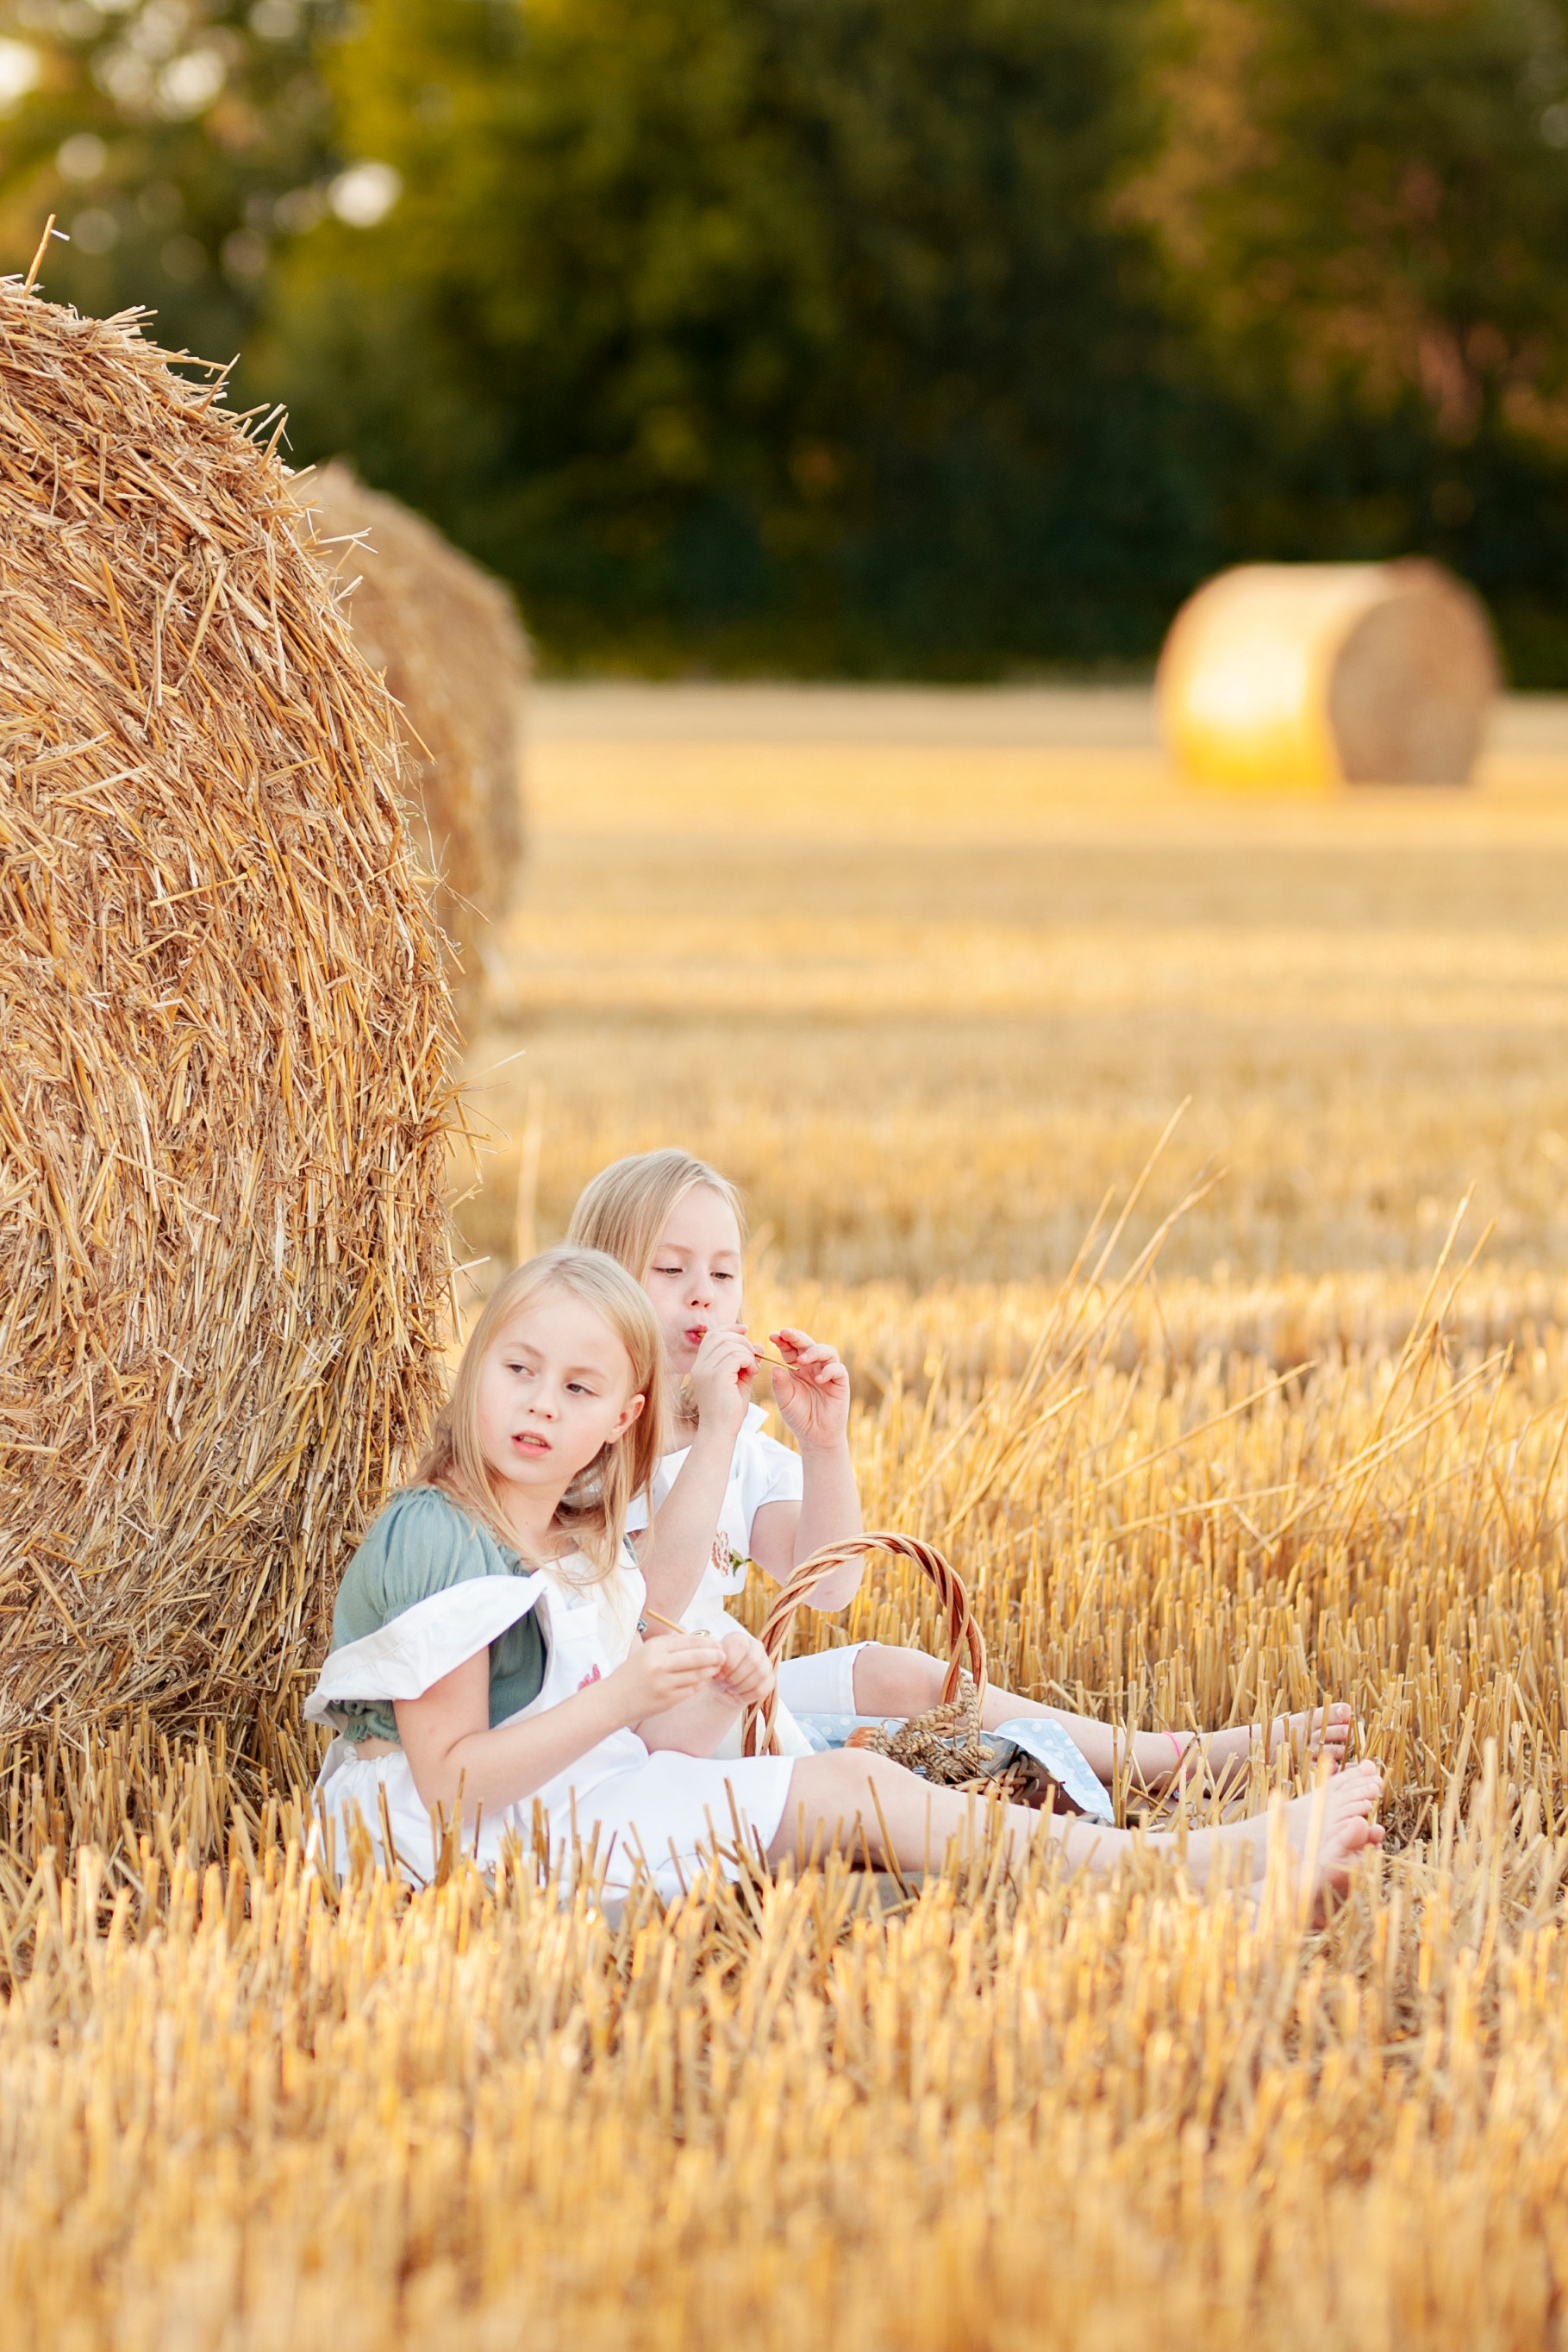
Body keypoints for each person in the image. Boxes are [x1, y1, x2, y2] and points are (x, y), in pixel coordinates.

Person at [307, 1242, 1384, 1903]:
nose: (542, 1403)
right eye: (519, 1369)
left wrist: (712, 1690)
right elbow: (449, 1785)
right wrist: (636, 1697)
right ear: (474, 1371)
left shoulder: (580, 1535)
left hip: (572, 1798)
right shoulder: (439, 1536)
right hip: (470, 1844)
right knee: (862, 1792)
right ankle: (1186, 1873)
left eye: (579, 1388)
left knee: (864, 1792)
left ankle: (1191, 1870)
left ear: (620, 1422)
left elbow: (653, 1717)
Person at [567, 1149, 1354, 1800]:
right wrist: (713, 1439)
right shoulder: (592, 1440)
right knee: (780, 1729)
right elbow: (655, 1607)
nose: (703, 1292)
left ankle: (1160, 1756)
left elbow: (828, 1585)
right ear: (605, 1287)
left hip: (735, 1683)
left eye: (724, 1273)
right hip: (646, 1711)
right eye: (670, 1270)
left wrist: (823, 1443)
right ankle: (966, 1788)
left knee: (897, 1671)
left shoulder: (736, 1434)